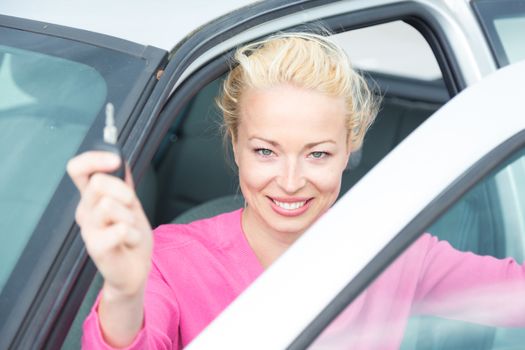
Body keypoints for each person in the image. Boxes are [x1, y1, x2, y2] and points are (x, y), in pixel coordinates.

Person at [67, 32, 525, 349]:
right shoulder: (167, 257)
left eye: (318, 155)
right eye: (266, 151)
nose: (289, 182)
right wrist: (124, 292)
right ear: (236, 146)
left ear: (351, 148)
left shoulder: (396, 253)